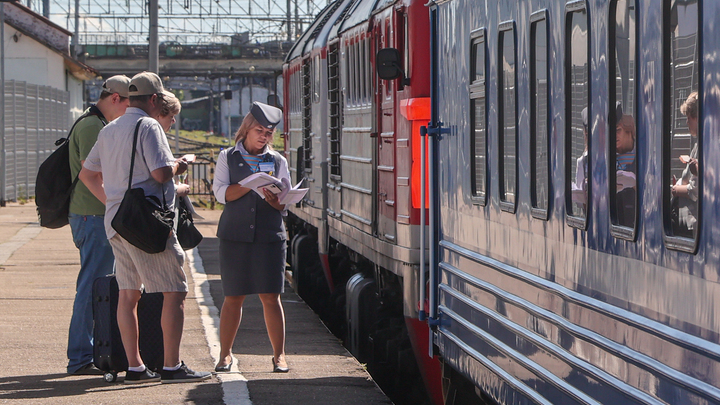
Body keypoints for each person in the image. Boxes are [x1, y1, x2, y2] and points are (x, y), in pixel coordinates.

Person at [79, 72, 211, 384]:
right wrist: (182, 164)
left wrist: (115, 203)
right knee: (175, 291)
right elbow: (161, 173)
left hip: (117, 222)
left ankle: (136, 367)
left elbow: (87, 175)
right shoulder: (148, 125)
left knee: (128, 295)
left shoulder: (110, 128)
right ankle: (171, 365)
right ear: (154, 99)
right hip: (148, 225)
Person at [211, 101, 290, 373]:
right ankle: (225, 355)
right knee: (234, 295)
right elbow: (221, 194)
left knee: (271, 296)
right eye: (259, 130)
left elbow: (285, 202)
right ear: (246, 129)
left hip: (269, 236)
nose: (264, 136)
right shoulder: (228, 157)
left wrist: (277, 200)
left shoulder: (278, 160)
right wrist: (249, 183)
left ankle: (279, 356)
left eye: (269, 133)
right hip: (234, 237)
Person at [66, 75, 130, 375]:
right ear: (115, 98)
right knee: (92, 287)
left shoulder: (94, 123)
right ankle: (79, 356)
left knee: (95, 286)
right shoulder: (93, 126)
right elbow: (92, 175)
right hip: (92, 216)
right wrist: (115, 207)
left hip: (90, 215)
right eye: (129, 102)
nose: (130, 109)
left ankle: (86, 352)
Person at [670, 91, 699, 237]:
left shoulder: (704, 146)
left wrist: (676, 189)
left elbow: (695, 190)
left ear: (697, 118)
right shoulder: (698, 145)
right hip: (688, 219)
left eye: (689, 118)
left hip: (692, 223)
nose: (687, 122)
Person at [615, 113, 636, 227]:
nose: (614, 135)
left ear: (629, 131)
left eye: (618, 130)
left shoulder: (644, 155)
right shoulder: (607, 157)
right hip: (617, 220)